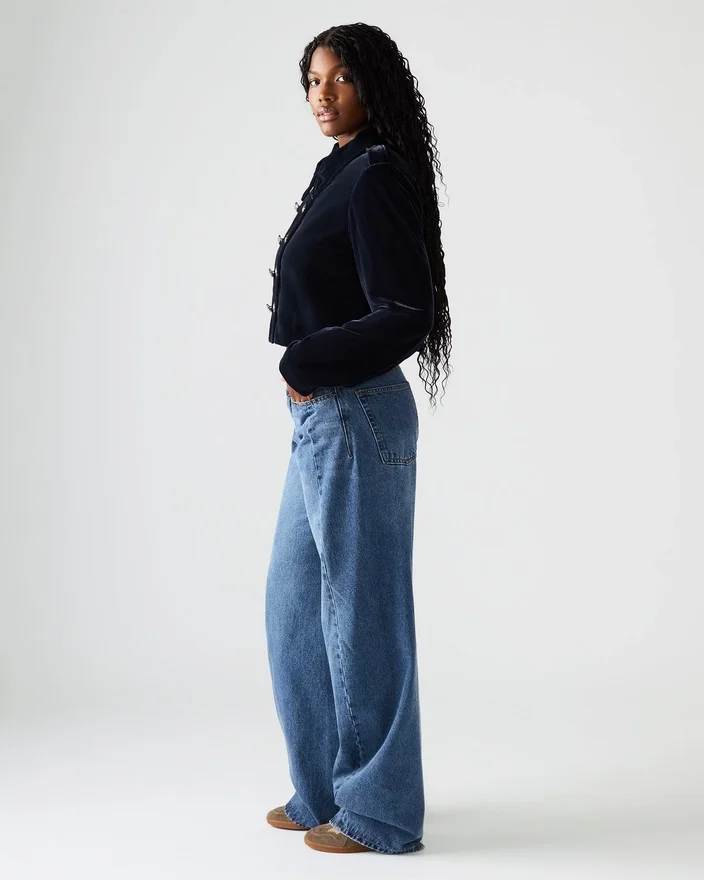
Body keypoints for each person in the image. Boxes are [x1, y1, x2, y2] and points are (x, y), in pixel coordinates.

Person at [264, 22, 451, 855]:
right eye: (313, 80)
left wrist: (306, 358)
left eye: (340, 78)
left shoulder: (376, 173)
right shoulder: (336, 170)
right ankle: (322, 791)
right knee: (293, 608)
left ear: (373, 84)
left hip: (356, 412)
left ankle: (380, 813)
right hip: (322, 419)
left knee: (362, 612)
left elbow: (407, 312)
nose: (324, 94)